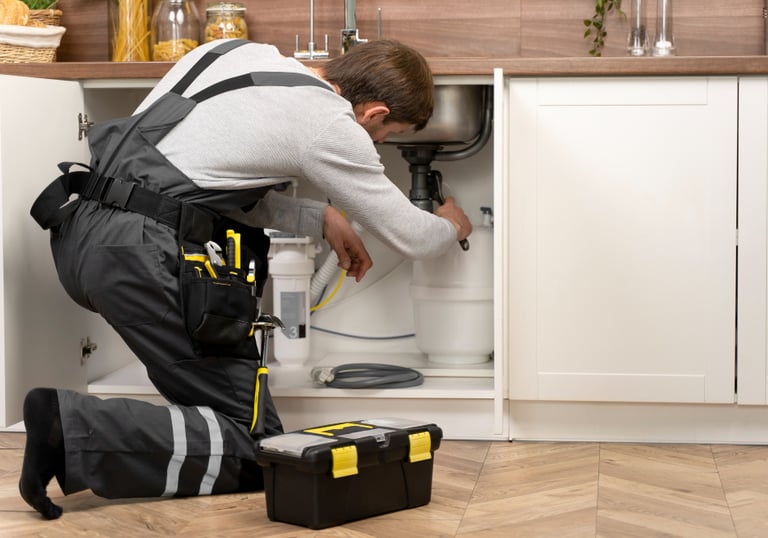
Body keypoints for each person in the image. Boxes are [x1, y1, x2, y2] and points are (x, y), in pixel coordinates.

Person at [20, 38, 472, 520]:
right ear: (374, 112)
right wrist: (453, 224)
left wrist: (318, 215)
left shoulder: (235, 51)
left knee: (238, 426)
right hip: (142, 258)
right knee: (265, 452)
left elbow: (196, 174)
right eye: (386, 135)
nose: (376, 146)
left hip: (83, 235)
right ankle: (70, 427)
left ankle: (79, 431)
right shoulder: (327, 124)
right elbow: (416, 238)